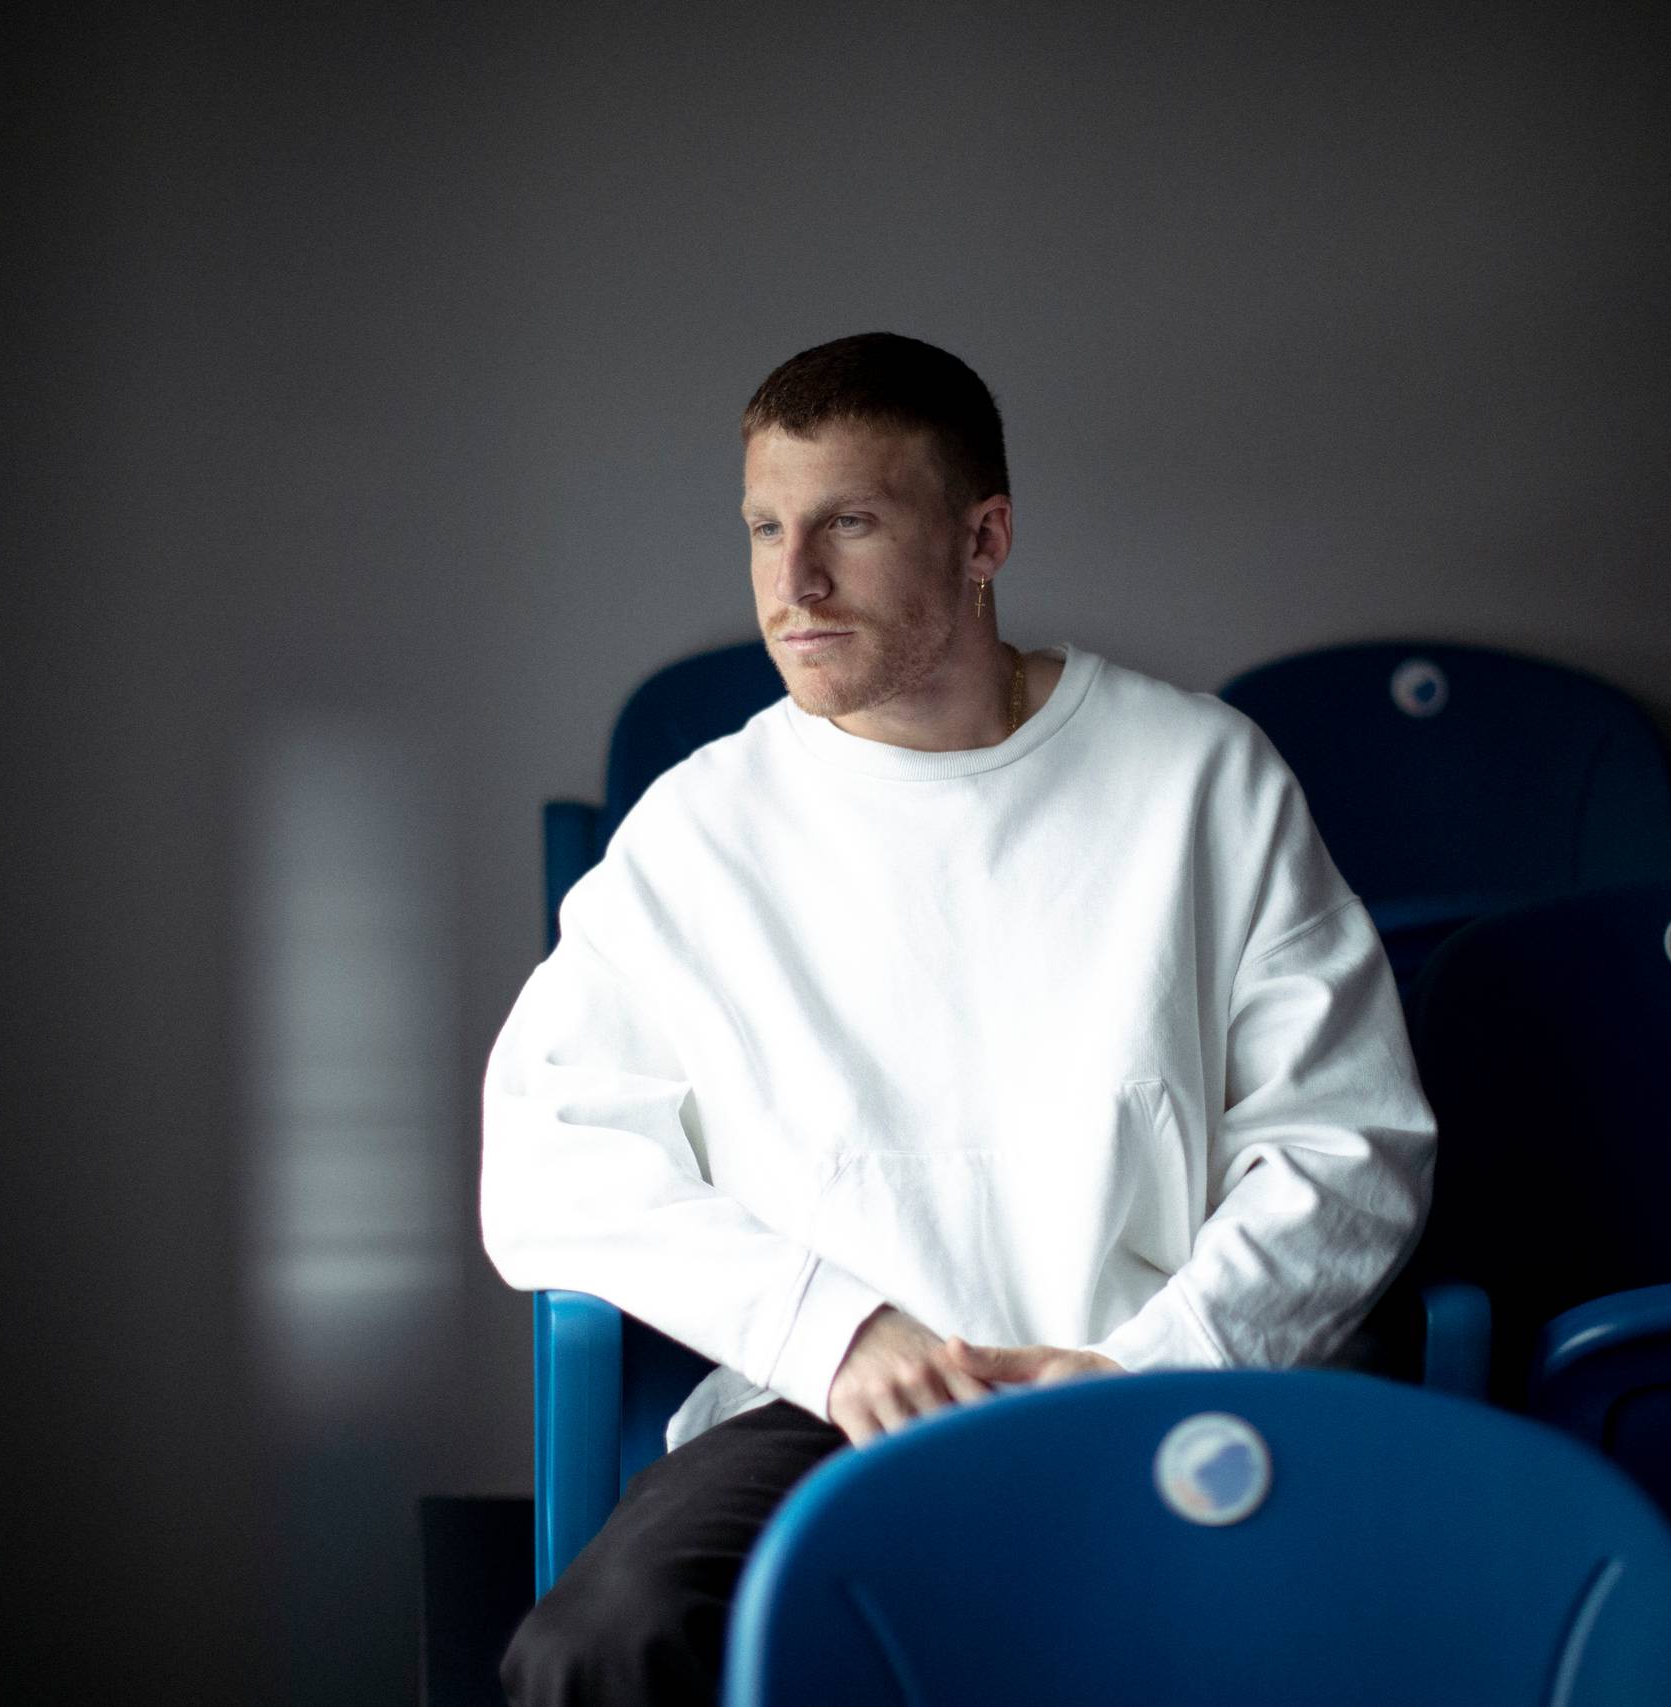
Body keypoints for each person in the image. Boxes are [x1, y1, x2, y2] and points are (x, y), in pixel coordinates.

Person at [481, 332, 1436, 1705]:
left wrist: (1147, 1369)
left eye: (850, 525)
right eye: (765, 528)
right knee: (599, 1650)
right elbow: (550, 1154)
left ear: (983, 537)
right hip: (827, 1409)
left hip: (1153, 1387)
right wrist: (834, 1333)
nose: (793, 585)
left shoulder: (1200, 778)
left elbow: (1349, 1142)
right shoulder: (700, 829)